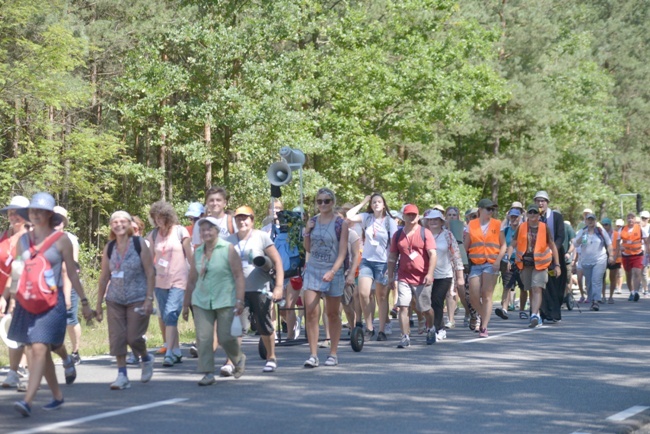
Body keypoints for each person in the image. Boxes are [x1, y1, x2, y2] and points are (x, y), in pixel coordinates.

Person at [8, 193, 93, 417]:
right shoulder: (23, 240)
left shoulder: (61, 241)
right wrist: (11, 298)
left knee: (38, 348)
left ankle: (28, 400)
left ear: (49, 215)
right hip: (27, 301)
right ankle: (57, 396)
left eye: (40, 211)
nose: (35, 214)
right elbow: (17, 269)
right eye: (32, 211)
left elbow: (71, 274)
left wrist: (83, 301)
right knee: (40, 352)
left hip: (51, 304)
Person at [182, 216, 246, 386]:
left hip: (225, 298)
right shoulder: (197, 252)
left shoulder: (228, 249)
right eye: (202, 230)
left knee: (225, 337)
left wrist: (240, 300)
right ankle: (207, 373)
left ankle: (238, 359)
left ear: (217, 231)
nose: (206, 232)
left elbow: (239, 276)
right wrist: (186, 304)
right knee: (203, 338)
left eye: (209, 229)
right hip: (201, 300)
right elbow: (192, 279)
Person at [95, 211, 156, 389]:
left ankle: (145, 358)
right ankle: (122, 375)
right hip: (115, 299)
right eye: (115, 221)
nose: (119, 224)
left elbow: (150, 272)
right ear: (111, 226)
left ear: (130, 224)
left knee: (133, 337)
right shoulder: (110, 247)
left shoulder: (139, 244)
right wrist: (98, 303)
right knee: (117, 338)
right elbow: (104, 276)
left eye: (123, 221)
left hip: (138, 297)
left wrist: (149, 298)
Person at [226, 206, 284, 372]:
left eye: (245, 218)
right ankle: (231, 362)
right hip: (237, 291)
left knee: (263, 324)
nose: (242, 221)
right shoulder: (229, 241)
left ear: (252, 220)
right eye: (238, 218)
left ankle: (271, 357)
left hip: (260, 289)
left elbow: (277, 262)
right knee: (236, 326)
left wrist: (279, 287)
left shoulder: (261, 237)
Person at [302, 188, 348, 367]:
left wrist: (334, 271)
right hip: (313, 269)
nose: (323, 204)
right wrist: (307, 231)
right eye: (319, 201)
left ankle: (333, 353)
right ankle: (313, 355)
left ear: (333, 202)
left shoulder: (340, 223)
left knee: (332, 313)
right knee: (311, 313)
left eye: (326, 201)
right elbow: (308, 248)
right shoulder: (312, 221)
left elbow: (343, 251)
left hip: (332, 271)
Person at [346, 193, 397, 341]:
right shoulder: (367, 218)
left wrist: (392, 265)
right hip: (367, 260)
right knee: (363, 293)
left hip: (383, 262)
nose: (376, 204)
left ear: (384, 204)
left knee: (381, 297)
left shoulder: (389, 221)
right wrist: (364, 201)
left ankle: (381, 330)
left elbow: (394, 244)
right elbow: (349, 215)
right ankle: (369, 327)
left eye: (379, 202)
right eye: (374, 202)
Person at [147, 201, 192, 367]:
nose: (158, 221)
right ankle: (177, 350)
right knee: (167, 317)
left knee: (171, 312)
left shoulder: (180, 232)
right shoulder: (152, 235)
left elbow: (190, 256)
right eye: (155, 218)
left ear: (168, 216)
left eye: (161, 217)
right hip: (159, 281)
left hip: (179, 280)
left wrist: (196, 275)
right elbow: (148, 258)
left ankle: (170, 353)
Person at [387, 204, 436, 347]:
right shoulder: (397, 235)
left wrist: (430, 274)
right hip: (404, 276)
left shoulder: (425, 233)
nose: (411, 217)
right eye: (408, 214)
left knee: (425, 309)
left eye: (414, 214)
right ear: (403, 216)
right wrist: (391, 277)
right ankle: (405, 336)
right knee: (403, 306)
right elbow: (392, 257)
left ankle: (431, 328)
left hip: (422, 277)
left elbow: (433, 254)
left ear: (418, 216)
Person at [507, 204, 561, 328]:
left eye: (535, 213)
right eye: (530, 212)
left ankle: (535, 315)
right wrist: (508, 258)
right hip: (525, 263)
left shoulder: (544, 227)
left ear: (538, 215)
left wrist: (557, 265)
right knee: (530, 289)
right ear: (527, 214)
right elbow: (512, 244)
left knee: (537, 287)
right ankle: (535, 312)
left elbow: (552, 246)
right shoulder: (521, 227)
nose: (532, 215)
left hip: (541, 264)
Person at [463, 199, 506, 338]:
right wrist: (461, 262)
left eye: (492, 209)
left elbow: (503, 245)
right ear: (480, 210)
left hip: (491, 263)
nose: (491, 211)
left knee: (486, 295)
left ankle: (484, 326)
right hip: (476, 264)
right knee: (473, 296)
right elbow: (466, 245)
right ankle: (484, 315)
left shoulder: (497, 224)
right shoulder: (472, 224)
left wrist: (498, 261)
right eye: (488, 209)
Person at [0, 196, 30, 389]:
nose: (13, 216)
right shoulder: (4, 234)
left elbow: (20, 267)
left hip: (22, 290)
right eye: (11, 213)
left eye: (17, 213)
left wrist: (8, 296)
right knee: (8, 329)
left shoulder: (32, 237)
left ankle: (20, 369)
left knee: (20, 329)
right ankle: (15, 370)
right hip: (3, 288)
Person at [422, 209, 463, 341]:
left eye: (436, 219)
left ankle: (438, 329)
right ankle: (433, 326)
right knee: (426, 302)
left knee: (437, 301)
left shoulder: (448, 235)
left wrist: (460, 276)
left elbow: (456, 255)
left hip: (444, 274)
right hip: (427, 274)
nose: (433, 222)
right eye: (430, 220)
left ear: (441, 222)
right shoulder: (423, 234)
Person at [52, 206, 83, 366]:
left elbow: (73, 266)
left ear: (64, 222)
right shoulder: (43, 237)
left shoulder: (70, 238)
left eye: (60, 219)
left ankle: (75, 352)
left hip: (68, 282)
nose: (57, 221)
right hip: (50, 285)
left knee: (70, 319)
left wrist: (68, 290)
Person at [533, 191, 566, 323]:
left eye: (543, 201)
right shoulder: (533, 217)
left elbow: (560, 236)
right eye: (538, 201)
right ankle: (541, 312)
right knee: (540, 284)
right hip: (539, 255)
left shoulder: (556, 217)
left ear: (547, 202)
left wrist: (553, 251)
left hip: (555, 254)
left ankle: (554, 312)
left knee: (555, 285)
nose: (541, 203)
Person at [573, 214, 613, 311]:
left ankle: (596, 301)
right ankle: (591, 299)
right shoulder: (582, 231)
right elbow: (575, 244)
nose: (590, 221)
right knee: (589, 282)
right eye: (588, 220)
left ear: (595, 221)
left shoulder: (600, 231)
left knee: (596, 280)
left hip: (600, 259)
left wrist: (611, 256)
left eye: (592, 219)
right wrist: (581, 236)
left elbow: (609, 244)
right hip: (586, 261)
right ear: (585, 221)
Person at [495, 208, 525, 320]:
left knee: (523, 287)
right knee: (507, 286)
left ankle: (522, 310)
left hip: (521, 262)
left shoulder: (523, 230)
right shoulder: (506, 231)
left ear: (520, 218)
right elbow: (500, 244)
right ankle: (504, 309)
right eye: (512, 217)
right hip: (507, 261)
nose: (514, 219)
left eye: (516, 217)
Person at [616, 212, 646, 302]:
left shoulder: (640, 229)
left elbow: (647, 241)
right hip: (626, 255)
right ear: (626, 219)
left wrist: (648, 251)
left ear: (635, 219)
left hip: (638, 254)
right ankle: (632, 292)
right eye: (628, 217)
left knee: (636, 272)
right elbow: (617, 242)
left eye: (632, 217)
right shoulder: (622, 229)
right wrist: (619, 248)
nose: (630, 219)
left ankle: (636, 292)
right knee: (628, 274)